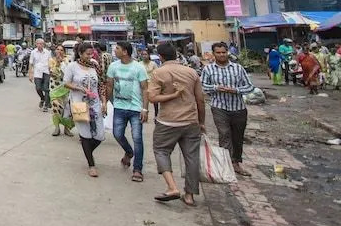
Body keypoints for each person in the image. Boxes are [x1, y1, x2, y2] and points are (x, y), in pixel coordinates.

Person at [149, 42, 206, 207]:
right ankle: (189, 195)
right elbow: (200, 100)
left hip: (167, 121)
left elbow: (153, 98)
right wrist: (201, 121)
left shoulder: (159, 72)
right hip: (191, 121)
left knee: (161, 150)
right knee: (192, 157)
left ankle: (172, 187)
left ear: (160, 57)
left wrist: (173, 96)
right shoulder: (191, 72)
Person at [200, 41, 254, 177]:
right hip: (219, 107)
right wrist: (216, 88)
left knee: (238, 136)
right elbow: (202, 86)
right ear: (213, 54)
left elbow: (249, 87)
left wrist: (235, 90)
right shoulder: (208, 69)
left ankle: (236, 163)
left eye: (224, 52)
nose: (221, 55)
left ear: (227, 52)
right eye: (218, 53)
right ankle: (225, 164)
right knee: (224, 134)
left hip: (238, 107)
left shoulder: (238, 68)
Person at [107, 41, 149, 182]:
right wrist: (108, 102)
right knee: (117, 134)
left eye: (117, 48)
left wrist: (145, 108)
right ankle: (129, 152)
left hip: (136, 109)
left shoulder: (138, 67)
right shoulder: (113, 66)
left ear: (125, 51)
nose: (115, 51)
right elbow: (109, 85)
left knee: (137, 138)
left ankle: (137, 169)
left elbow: (145, 89)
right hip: (119, 107)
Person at [63, 42, 106, 177]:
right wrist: (79, 88)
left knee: (100, 136)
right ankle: (91, 165)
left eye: (91, 54)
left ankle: (87, 151)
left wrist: (104, 102)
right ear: (80, 54)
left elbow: (101, 84)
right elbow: (66, 83)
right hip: (79, 104)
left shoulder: (95, 65)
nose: (90, 56)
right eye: (87, 54)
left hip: (95, 104)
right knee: (85, 135)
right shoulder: (72, 66)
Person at [48, 44, 74, 137]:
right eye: (57, 49)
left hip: (66, 88)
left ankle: (67, 129)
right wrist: (58, 64)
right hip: (54, 88)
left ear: (64, 52)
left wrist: (62, 63)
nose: (59, 51)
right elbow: (52, 73)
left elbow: (69, 73)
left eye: (61, 50)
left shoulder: (68, 60)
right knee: (56, 108)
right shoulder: (51, 60)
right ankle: (57, 128)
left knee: (67, 110)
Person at [28, 38, 52, 112]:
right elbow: (31, 63)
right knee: (38, 88)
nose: (39, 45)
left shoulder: (47, 52)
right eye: (38, 43)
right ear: (36, 44)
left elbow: (50, 62)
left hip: (46, 72)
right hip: (37, 72)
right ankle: (42, 98)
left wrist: (51, 71)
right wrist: (30, 74)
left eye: (41, 44)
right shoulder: (33, 52)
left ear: (43, 44)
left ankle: (46, 105)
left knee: (46, 88)